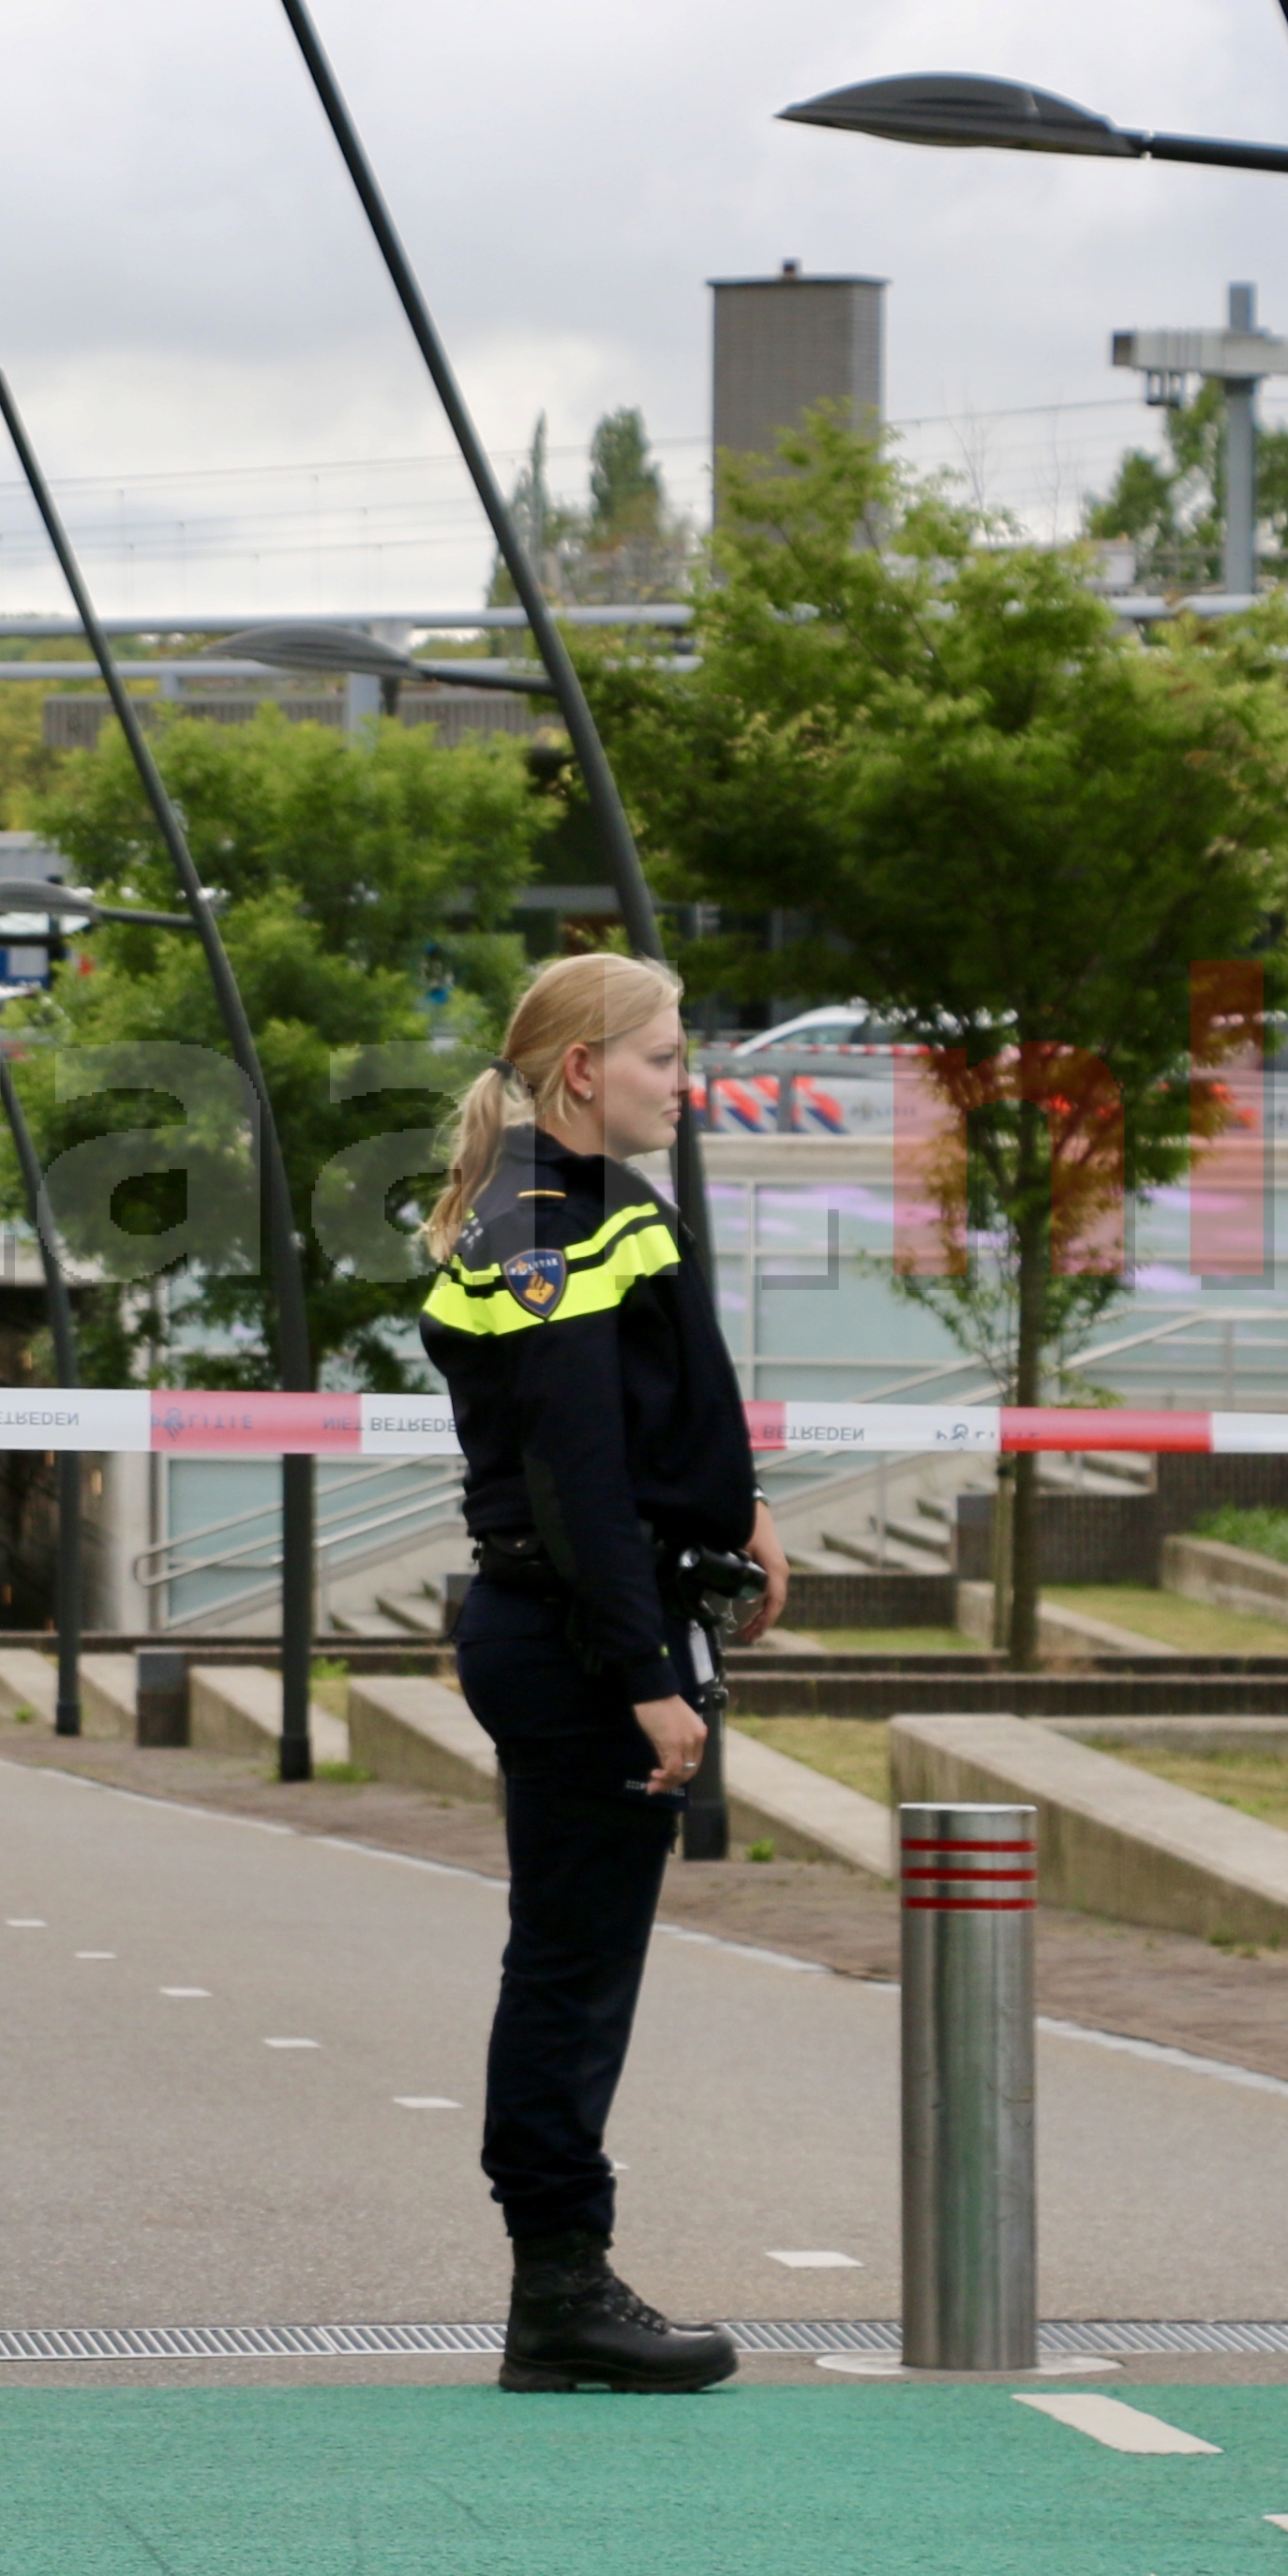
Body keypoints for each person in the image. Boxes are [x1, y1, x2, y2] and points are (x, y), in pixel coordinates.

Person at [415, 951, 787, 2395]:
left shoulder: (598, 1210)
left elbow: (638, 1419)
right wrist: (643, 1670)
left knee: (580, 1964)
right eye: (664, 1059)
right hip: (575, 1639)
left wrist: (734, 1509)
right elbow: (570, 1475)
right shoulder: (543, 1228)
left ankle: (562, 2283)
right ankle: (560, 2287)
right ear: (584, 1069)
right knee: (569, 1973)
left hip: (590, 1623)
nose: (685, 1086)